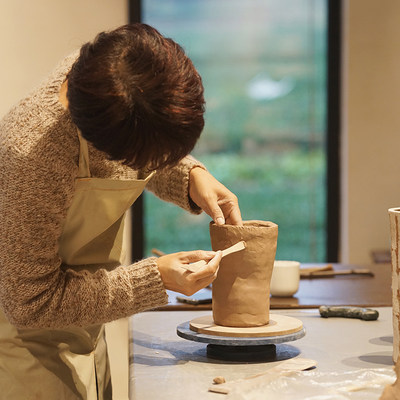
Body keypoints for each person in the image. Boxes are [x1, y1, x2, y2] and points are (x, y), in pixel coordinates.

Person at [0, 23, 242, 399]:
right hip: (26, 346)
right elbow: (31, 303)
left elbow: (133, 148)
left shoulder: (114, 78)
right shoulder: (34, 156)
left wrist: (189, 174)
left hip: (83, 321)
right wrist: (155, 279)